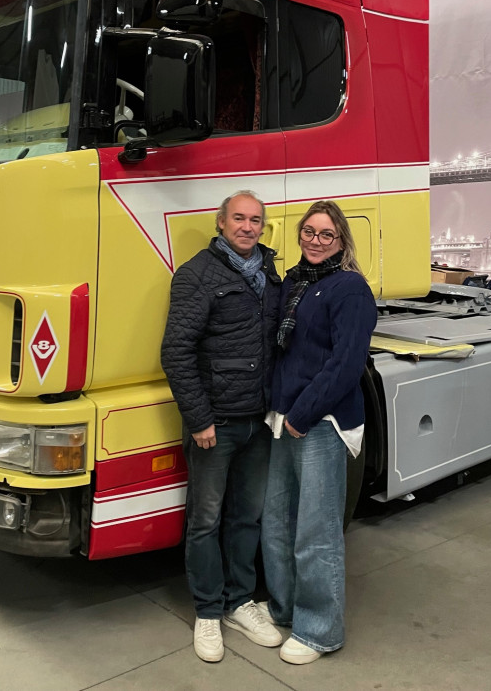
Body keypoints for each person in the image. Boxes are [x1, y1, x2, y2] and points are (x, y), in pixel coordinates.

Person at [161, 191, 283, 663]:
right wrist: (200, 418)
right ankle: (208, 612)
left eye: (256, 220)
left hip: (259, 421)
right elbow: (176, 352)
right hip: (217, 424)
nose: (248, 227)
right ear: (221, 222)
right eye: (239, 218)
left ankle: (239, 602)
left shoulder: (270, 274)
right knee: (205, 521)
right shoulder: (197, 274)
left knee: (245, 517)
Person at [260, 200, 377, 665]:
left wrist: (302, 414)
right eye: (309, 231)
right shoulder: (294, 283)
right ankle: (285, 610)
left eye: (326, 234)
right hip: (283, 419)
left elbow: (346, 364)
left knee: (315, 531)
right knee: (277, 524)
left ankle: (318, 629)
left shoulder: (350, 289)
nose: (314, 240)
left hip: (321, 424)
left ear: (342, 241)